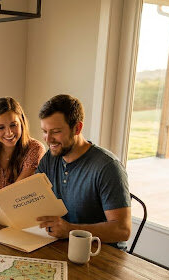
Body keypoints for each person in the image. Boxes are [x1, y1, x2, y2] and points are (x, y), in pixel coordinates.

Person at [35, 94, 131, 249]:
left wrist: (70, 230)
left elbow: (122, 230)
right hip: (63, 246)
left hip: (101, 254)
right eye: (45, 131)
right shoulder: (51, 157)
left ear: (77, 128)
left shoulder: (108, 167)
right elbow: (32, 196)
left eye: (56, 131)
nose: (48, 139)